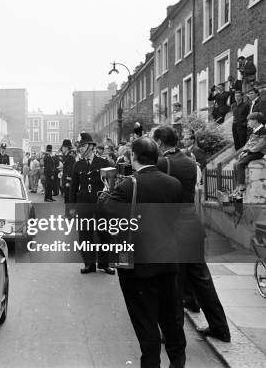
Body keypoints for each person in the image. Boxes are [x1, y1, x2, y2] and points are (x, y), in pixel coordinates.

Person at [100, 136, 186, 367]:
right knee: (171, 319)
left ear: (133, 158)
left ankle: (151, 363)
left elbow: (108, 216)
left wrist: (108, 190)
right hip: (168, 260)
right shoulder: (174, 184)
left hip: (138, 266)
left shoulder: (128, 185)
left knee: (145, 321)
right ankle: (177, 362)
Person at [154, 126, 231, 343]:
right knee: (202, 280)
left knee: (173, 284)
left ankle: (172, 334)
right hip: (192, 225)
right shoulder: (188, 161)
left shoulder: (162, 163)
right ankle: (220, 328)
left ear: (160, 142)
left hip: (174, 228)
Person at [68, 132, 115, 275]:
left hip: (101, 204)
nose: (80, 149)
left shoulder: (103, 163)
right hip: (83, 204)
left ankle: (104, 263)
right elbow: (73, 188)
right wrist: (70, 208)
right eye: (79, 146)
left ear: (90, 146)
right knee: (85, 235)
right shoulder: (78, 164)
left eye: (82, 146)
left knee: (104, 234)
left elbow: (110, 186)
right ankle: (89, 264)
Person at [232, 112, 266, 197]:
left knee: (240, 164)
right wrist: (244, 151)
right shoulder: (255, 130)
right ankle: (238, 185)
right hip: (252, 152)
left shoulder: (263, 130)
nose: (248, 122)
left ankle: (242, 186)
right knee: (235, 164)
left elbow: (260, 145)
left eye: (250, 120)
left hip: (258, 153)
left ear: (256, 121)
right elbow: (249, 143)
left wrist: (248, 152)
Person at [59, 139, 76, 215]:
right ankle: (67, 213)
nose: (62, 148)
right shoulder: (65, 157)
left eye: (63, 147)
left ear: (66, 148)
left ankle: (69, 214)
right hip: (64, 179)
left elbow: (71, 171)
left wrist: (68, 182)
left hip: (68, 181)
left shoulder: (71, 158)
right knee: (66, 197)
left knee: (69, 198)